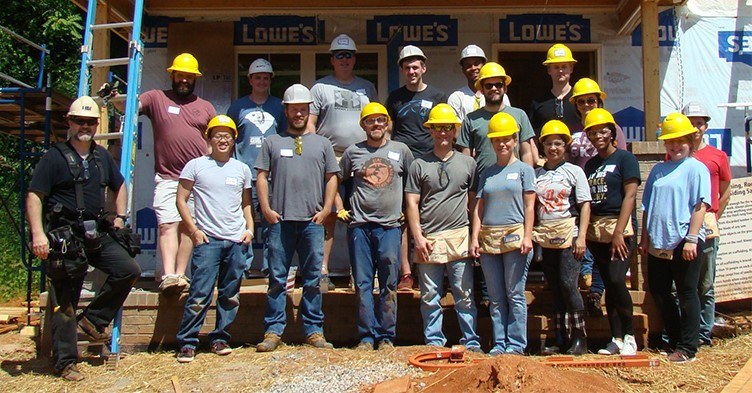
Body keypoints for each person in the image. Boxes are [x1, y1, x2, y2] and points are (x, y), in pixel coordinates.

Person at [26, 96, 141, 381]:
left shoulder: (101, 156)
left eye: (90, 122)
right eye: (80, 121)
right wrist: (39, 234)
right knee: (65, 300)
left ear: (96, 124)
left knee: (129, 270)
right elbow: (34, 196)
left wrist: (119, 217)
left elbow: (120, 185)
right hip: (65, 237)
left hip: (96, 232)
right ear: (70, 122)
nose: (85, 126)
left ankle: (93, 319)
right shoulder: (54, 157)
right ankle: (65, 362)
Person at [254, 84, 339, 352]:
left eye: (303, 109)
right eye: (294, 109)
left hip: (312, 222)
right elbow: (261, 177)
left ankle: (314, 330)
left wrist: (326, 210)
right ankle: (273, 330)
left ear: (308, 110)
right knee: (277, 279)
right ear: (286, 111)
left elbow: (332, 178)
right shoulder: (272, 142)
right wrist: (266, 209)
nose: (299, 114)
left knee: (313, 279)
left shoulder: (323, 144)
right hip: (280, 222)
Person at [175, 115, 254, 363]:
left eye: (227, 136)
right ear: (208, 138)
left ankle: (220, 338)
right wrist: (194, 231)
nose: (223, 140)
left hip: (236, 241)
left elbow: (246, 204)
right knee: (200, 293)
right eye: (218, 135)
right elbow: (181, 200)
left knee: (230, 295)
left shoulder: (242, 169)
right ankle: (188, 342)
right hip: (208, 241)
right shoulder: (196, 166)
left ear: (234, 140)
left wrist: (249, 229)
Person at [405, 104, 482, 352]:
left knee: (465, 294)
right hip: (429, 237)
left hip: (459, 234)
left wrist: (474, 237)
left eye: (448, 127)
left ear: (455, 131)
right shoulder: (419, 165)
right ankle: (434, 342)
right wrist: (417, 237)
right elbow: (412, 203)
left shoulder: (468, 163)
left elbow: (474, 203)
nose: (443, 133)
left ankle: (470, 342)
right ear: (431, 131)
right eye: (438, 128)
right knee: (429, 296)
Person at [138, 53, 216, 294]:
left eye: (189, 76)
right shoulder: (156, 98)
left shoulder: (205, 107)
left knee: (188, 227)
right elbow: (131, 105)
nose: (184, 80)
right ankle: (169, 275)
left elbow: (214, 140)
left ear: (195, 79)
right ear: (172, 75)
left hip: (196, 180)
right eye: (180, 75)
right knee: (167, 224)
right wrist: (113, 98)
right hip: (168, 176)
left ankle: (180, 274)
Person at [340, 102, 414, 350]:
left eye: (380, 120)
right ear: (363, 125)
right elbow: (337, 180)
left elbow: (412, 185)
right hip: (360, 225)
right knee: (362, 283)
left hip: (390, 227)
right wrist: (340, 207)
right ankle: (366, 336)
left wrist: (407, 210)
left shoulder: (401, 151)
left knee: (389, 283)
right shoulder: (352, 152)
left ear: (387, 124)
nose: (376, 124)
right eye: (370, 121)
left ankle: (386, 336)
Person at [638, 112, 711, 364]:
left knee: (687, 291)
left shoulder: (696, 168)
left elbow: (700, 206)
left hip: (684, 239)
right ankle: (675, 338)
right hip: (659, 240)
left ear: (690, 141)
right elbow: (647, 206)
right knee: (659, 290)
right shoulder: (658, 170)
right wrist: (645, 239)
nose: (675, 145)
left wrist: (692, 238)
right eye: (670, 141)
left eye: (680, 140)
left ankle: (688, 347)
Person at [309, 34, 379, 290]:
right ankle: (322, 270)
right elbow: (310, 125)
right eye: (340, 55)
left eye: (349, 54)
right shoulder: (320, 88)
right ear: (332, 59)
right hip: (331, 158)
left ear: (355, 59)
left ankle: (358, 271)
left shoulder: (367, 87)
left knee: (360, 217)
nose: (345, 59)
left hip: (362, 157)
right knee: (329, 215)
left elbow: (376, 121)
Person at [470, 112, 535, 355]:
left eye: (507, 139)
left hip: (515, 238)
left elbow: (530, 206)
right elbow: (479, 208)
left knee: (515, 293)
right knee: (496, 297)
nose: (502, 144)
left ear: (515, 139)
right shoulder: (486, 172)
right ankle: (499, 344)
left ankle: (516, 345)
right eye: (497, 140)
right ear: (492, 142)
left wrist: (528, 236)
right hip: (489, 239)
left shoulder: (524, 170)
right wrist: (474, 238)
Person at [386, 45, 447, 290]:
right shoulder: (395, 97)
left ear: (424, 68)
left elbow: (446, 129)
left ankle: (432, 268)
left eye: (415, 66)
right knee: (403, 219)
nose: (411, 71)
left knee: (430, 215)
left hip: (431, 161)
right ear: (401, 70)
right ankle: (407, 273)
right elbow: (389, 130)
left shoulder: (438, 96)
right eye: (407, 67)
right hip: (402, 165)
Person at [581, 109, 641, 356]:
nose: (598, 136)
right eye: (593, 133)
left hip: (620, 228)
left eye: (603, 131)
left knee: (617, 280)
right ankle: (615, 337)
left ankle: (629, 335)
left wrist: (618, 232)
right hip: (598, 231)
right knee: (607, 283)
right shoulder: (592, 164)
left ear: (612, 132)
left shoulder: (625, 159)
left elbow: (630, 195)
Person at [567, 77, 628, 316]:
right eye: (581, 101)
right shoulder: (576, 133)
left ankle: (596, 292)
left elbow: (619, 162)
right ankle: (588, 283)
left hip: (606, 196)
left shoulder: (613, 128)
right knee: (587, 243)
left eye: (591, 100)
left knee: (603, 250)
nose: (586, 105)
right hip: (582, 195)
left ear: (599, 101)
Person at [533, 120, 592, 356]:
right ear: (542, 147)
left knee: (569, 285)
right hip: (547, 236)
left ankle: (580, 337)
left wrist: (582, 238)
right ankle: (559, 337)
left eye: (558, 143)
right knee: (556, 288)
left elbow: (585, 205)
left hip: (570, 234)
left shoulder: (575, 171)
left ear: (565, 146)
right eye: (548, 144)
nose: (553, 148)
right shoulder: (537, 174)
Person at [227, 58, 286, 278]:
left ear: (270, 80)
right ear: (250, 80)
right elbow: (229, 137)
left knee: (273, 224)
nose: (261, 81)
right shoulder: (238, 106)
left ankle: (271, 269)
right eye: (257, 77)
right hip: (244, 175)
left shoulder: (279, 106)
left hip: (272, 176)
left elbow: (285, 137)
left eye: (265, 78)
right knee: (243, 223)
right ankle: (242, 269)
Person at [681, 102, 731, 347]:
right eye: (690, 122)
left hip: (707, 220)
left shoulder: (717, 156)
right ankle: (686, 331)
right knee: (683, 282)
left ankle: (704, 333)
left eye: (699, 123)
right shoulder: (676, 154)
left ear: (706, 126)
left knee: (706, 283)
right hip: (683, 223)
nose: (695, 127)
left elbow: (725, 190)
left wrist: (713, 215)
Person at [457, 61, 538, 173]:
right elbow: (466, 157)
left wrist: (528, 182)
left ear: (505, 88)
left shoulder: (520, 115)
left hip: (514, 182)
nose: (494, 88)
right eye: (489, 86)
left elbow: (526, 152)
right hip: (482, 183)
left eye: (498, 85)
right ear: (481, 90)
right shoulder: (471, 119)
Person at [529, 44, 580, 148]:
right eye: (556, 67)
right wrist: (536, 159)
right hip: (546, 161)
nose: (560, 71)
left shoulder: (581, 100)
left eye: (564, 67)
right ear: (549, 70)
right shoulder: (538, 103)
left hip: (577, 160)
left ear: (571, 69)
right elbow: (531, 137)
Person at [447, 45, 510, 124]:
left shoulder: (498, 94)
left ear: (484, 66)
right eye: (468, 65)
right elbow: (455, 130)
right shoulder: (456, 98)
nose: (473, 68)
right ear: (463, 70)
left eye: (477, 64)